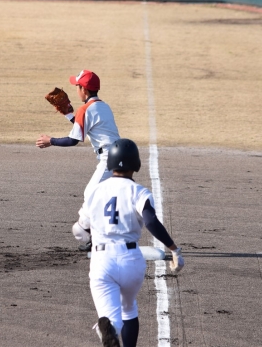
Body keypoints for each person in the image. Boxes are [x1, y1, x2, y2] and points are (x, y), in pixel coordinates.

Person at [71, 138, 185, 347]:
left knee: (110, 317)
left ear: (110, 163)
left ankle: (109, 328)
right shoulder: (139, 192)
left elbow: (79, 230)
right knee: (129, 308)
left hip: (102, 260)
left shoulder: (95, 191)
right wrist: (174, 249)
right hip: (131, 260)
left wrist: (88, 236)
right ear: (136, 164)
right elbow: (151, 221)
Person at [36, 68, 121, 218]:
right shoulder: (104, 106)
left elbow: (73, 140)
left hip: (109, 158)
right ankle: (110, 227)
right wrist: (69, 115)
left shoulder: (85, 109)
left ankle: (94, 231)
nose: (76, 89)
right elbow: (84, 128)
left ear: (84, 90)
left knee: (91, 194)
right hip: (120, 155)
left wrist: (50, 141)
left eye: (77, 86)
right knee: (106, 196)